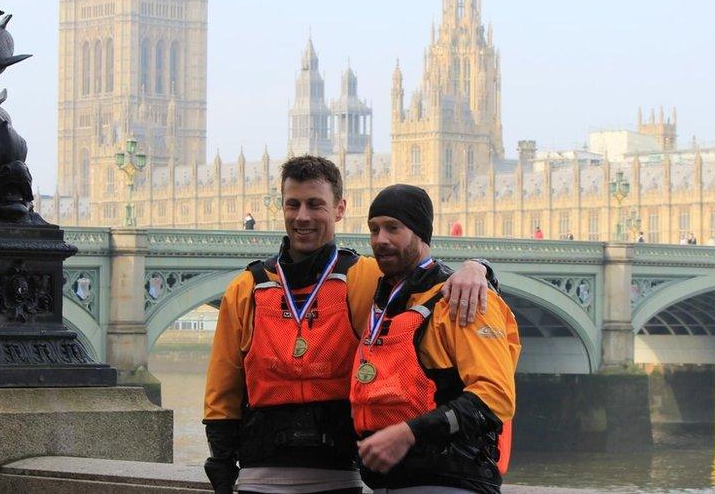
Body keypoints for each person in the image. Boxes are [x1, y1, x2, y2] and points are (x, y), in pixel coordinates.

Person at [203, 156, 495, 494]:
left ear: (339, 209)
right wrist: (221, 461)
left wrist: (478, 268)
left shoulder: (368, 276)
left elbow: (427, 278)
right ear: (281, 207)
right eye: (292, 204)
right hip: (260, 472)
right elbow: (223, 385)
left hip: (340, 473)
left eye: (315, 205)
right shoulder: (248, 287)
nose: (302, 217)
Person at [351, 184, 520, 494]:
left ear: (420, 233)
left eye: (393, 228)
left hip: (451, 480)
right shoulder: (383, 300)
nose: (380, 240)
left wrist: (408, 433)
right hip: (392, 482)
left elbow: (496, 397)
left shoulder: (461, 299)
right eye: (374, 229)